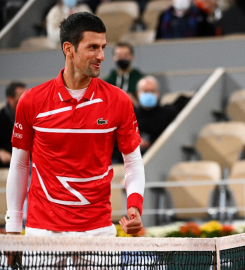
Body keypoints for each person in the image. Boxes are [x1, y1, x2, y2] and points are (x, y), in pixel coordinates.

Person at [5, 12, 145, 238]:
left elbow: (133, 162)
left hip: (98, 231)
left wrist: (135, 207)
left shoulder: (118, 101)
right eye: (92, 47)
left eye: (103, 47)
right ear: (68, 49)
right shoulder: (32, 100)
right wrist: (12, 225)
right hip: (42, 233)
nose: (101, 55)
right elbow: (20, 164)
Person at [135, 76, 178, 154]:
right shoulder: (128, 115)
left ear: (158, 93)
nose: (149, 94)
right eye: (145, 91)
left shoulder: (168, 114)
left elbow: (171, 139)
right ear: (138, 93)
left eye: (152, 91)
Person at [0, 81, 27, 168]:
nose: (26, 101)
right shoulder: (1, 117)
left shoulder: (31, 116)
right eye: (21, 98)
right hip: (9, 163)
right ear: (10, 99)